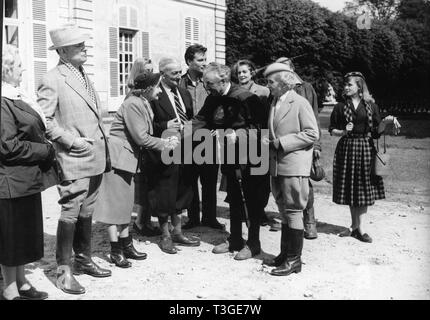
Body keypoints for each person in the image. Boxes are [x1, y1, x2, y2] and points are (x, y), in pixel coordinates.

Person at [37, 24, 111, 295]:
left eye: (84, 44)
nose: (85, 48)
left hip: (95, 157)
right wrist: (71, 140)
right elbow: (43, 120)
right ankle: (63, 271)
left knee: (87, 210)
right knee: (71, 210)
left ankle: (83, 258)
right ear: (63, 51)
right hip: (74, 156)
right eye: (79, 45)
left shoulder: (81, 74)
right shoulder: (52, 79)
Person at [94, 73, 179, 267]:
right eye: (157, 87)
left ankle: (126, 244)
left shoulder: (141, 103)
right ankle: (116, 250)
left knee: (124, 205)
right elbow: (141, 137)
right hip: (118, 159)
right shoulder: (133, 103)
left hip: (127, 159)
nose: (159, 91)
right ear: (148, 88)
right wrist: (164, 143)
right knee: (114, 207)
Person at [193, 62, 267, 261]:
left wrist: (239, 133)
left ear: (223, 80)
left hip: (251, 155)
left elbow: (261, 127)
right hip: (229, 155)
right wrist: (179, 136)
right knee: (234, 197)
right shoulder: (214, 97)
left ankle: (253, 243)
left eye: (209, 82)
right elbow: (201, 121)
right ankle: (235, 239)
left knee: (251, 200)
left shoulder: (246, 98)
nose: (206, 86)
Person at [1, 44, 56, 300]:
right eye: (19, 65)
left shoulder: (15, 95)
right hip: (11, 182)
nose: (23, 69)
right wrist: (44, 150)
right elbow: (7, 146)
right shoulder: (3, 101)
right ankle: (10, 290)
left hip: (26, 179)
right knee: (11, 239)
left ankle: (21, 281)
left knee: (23, 235)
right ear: (6, 69)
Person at [261, 63, 319, 276]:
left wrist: (281, 142)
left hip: (294, 164)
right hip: (277, 165)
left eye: (271, 82)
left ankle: (294, 260)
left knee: (294, 210)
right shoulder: (275, 101)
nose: (268, 86)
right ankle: (285, 254)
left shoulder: (300, 103)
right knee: (284, 210)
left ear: (285, 84)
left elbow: (312, 134)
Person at [329, 71, 400, 243]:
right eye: (345, 85)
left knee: (363, 188)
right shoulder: (339, 106)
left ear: (359, 87)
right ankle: (353, 227)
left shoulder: (371, 106)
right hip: (346, 148)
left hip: (365, 149)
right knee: (351, 188)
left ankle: (361, 228)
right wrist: (343, 131)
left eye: (349, 84)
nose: (346, 87)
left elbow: (376, 133)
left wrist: (386, 121)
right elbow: (331, 129)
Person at [149, 57, 200, 254]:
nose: (179, 76)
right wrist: (164, 126)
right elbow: (145, 125)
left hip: (186, 146)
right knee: (164, 190)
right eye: (174, 74)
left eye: (180, 72)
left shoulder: (185, 93)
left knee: (182, 188)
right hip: (165, 147)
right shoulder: (154, 94)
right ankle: (165, 235)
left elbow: (191, 117)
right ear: (163, 74)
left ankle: (178, 231)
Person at [276, 57, 322, 239]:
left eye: (286, 69)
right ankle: (291, 222)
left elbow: (314, 118)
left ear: (293, 69)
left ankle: (309, 221)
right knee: (285, 185)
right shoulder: (278, 90)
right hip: (285, 146)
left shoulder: (306, 88)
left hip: (304, 143)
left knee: (305, 183)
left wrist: (316, 145)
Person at [179, 44, 223, 230]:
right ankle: (193, 218)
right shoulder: (180, 83)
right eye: (200, 60)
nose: (204, 63)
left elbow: (220, 106)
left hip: (208, 136)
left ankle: (210, 218)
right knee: (189, 179)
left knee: (210, 179)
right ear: (189, 62)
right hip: (187, 138)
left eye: (205, 59)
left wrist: (217, 126)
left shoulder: (211, 82)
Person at [231, 59, 274, 229]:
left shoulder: (263, 91)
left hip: (260, 137)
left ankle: (259, 210)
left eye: (245, 72)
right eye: (239, 72)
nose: (242, 75)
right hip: (241, 137)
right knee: (242, 175)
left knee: (261, 178)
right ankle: (245, 212)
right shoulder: (234, 91)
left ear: (252, 73)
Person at [126, 58, 162, 238]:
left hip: (146, 151)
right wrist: (162, 143)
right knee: (141, 187)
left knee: (146, 186)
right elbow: (140, 135)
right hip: (137, 152)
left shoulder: (143, 98)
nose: (150, 73)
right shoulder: (133, 99)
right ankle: (140, 223)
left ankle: (144, 222)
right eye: (146, 71)